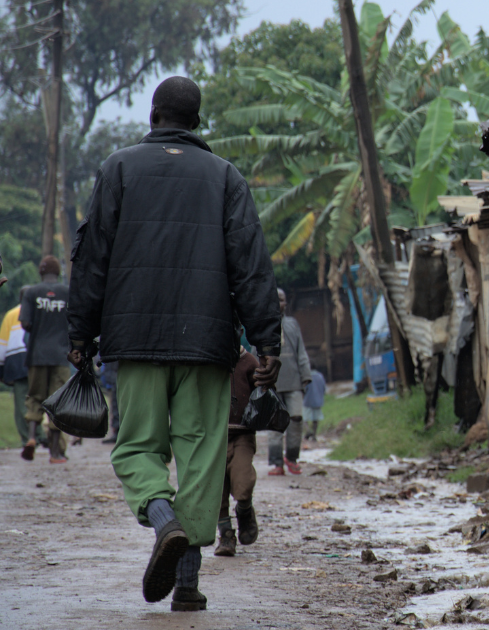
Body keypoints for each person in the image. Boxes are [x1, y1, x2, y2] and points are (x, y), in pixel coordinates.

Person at [67, 76, 281, 612]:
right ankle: (187, 585)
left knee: (137, 447)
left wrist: (79, 333)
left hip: (135, 341)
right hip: (208, 346)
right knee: (202, 458)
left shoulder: (118, 168)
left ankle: (162, 522)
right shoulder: (225, 177)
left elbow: (92, 258)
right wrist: (266, 340)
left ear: (153, 114)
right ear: (197, 121)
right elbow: (251, 267)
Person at [20, 256, 71, 463]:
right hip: (60, 355)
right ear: (58, 272)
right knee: (57, 403)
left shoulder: (31, 292)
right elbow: (75, 322)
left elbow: (24, 323)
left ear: (41, 273)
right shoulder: (68, 293)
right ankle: (55, 453)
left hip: (37, 355)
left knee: (35, 397)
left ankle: (31, 438)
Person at [215, 341, 261, 557]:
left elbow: (262, 393)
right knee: (216, 492)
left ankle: (244, 510)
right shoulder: (209, 362)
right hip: (214, 438)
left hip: (242, 434)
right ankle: (226, 536)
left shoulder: (249, 363)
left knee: (243, 483)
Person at [269, 288, 310, 476]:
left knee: (296, 418)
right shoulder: (264, 324)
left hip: (294, 381)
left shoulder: (293, 324)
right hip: (272, 383)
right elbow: (256, 353)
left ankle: (292, 458)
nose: (279, 303)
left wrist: (306, 376)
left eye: (282, 300)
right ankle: (277, 464)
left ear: (286, 303)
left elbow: (301, 352)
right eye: (276, 299)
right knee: (275, 423)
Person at [2, 287, 45, 447]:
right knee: (37, 398)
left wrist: (1, 367)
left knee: (21, 401)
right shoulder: (39, 312)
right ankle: (40, 435)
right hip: (36, 358)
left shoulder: (11, 314)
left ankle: (27, 438)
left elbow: (2, 343)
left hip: (15, 361)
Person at [99, 357, 120, 444]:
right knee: (114, 405)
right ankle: (116, 431)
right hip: (113, 374)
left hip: (116, 373)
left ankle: (119, 431)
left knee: (117, 405)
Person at [303, 368, 326, 441]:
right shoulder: (320, 376)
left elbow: (304, 389)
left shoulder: (306, 376)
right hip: (317, 401)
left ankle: (308, 430)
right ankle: (314, 435)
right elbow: (324, 388)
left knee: (304, 418)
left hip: (307, 401)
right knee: (316, 419)